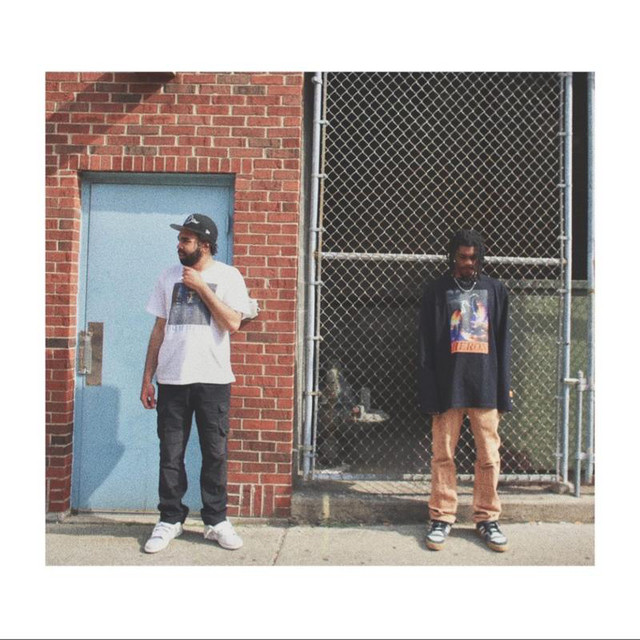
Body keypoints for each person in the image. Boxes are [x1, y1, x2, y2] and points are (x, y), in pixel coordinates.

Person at [140, 213, 252, 554]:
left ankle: (216, 520)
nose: (179, 245)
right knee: (170, 454)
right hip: (172, 379)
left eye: (185, 240)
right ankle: (169, 519)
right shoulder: (167, 276)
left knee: (215, 453)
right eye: (179, 239)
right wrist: (147, 378)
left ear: (204, 245)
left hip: (213, 379)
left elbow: (233, 323)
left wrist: (202, 287)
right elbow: (158, 329)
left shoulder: (228, 276)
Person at [418, 229, 512, 552]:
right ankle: (442, 516)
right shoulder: (436, 290)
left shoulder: (495, 290)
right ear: (452, 256)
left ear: (480, 257)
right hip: (448, 388)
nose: (468, 263)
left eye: (473, 257)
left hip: (485, 386)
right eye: (462, 257)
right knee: (443, 454)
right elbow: (426, 345)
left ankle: (487, 518)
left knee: (488, 456)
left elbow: (504, 343)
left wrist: (503, 391)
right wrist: (429, 391)